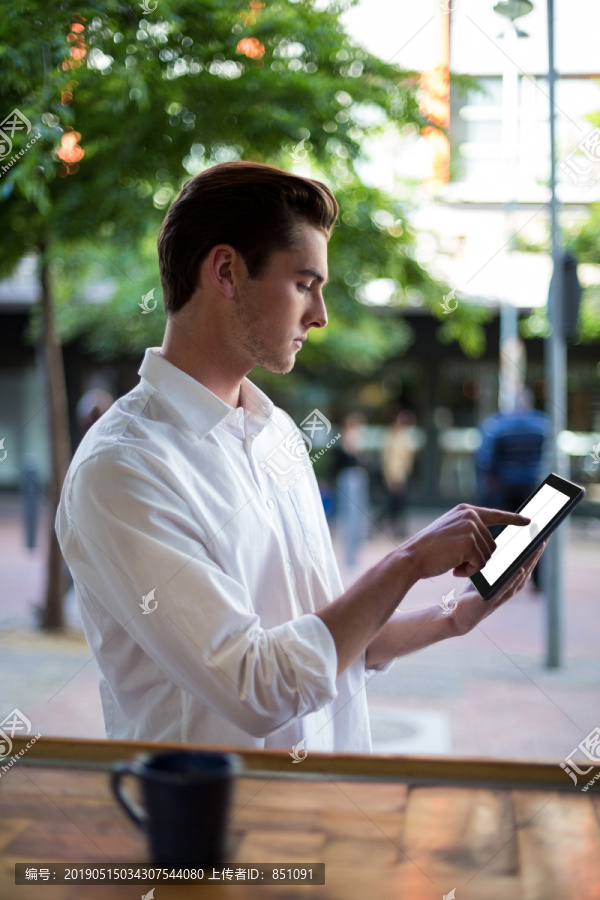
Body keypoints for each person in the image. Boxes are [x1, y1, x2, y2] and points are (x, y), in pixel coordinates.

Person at [55, 161, 545, 753]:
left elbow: (322, 640)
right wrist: (409, 561)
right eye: (304, 284)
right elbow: (256, 686)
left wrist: (450, 618)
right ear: (227, 271)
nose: (320, 315)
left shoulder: (277, 433)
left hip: (333, 803)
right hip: (224, 833)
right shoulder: (122, 469)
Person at [475, 387, 552, 589]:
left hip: (505, 485)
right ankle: (538, 581)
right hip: (531, 485)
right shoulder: (541, 424)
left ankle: (496, 577)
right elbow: (549, 453)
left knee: (500, 531)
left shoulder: (500, 424)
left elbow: (486, 455)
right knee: (534, 532)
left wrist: (488, 477)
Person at [329, 413, 370, 566]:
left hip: (356, 479)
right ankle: (350, 557)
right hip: (349, 480)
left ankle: (353, 555)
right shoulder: (346, 441)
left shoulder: (357, 440)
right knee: (350, 518)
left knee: (358, 518)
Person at [378, 409, 417, 539]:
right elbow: (386, 458)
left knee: (400, 503)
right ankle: (381, 524)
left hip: (402, 474)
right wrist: (389, 477)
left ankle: (399, 528)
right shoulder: (391, 436)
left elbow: (408, 457)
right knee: (392, 504)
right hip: (394, 474)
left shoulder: (406, 436)